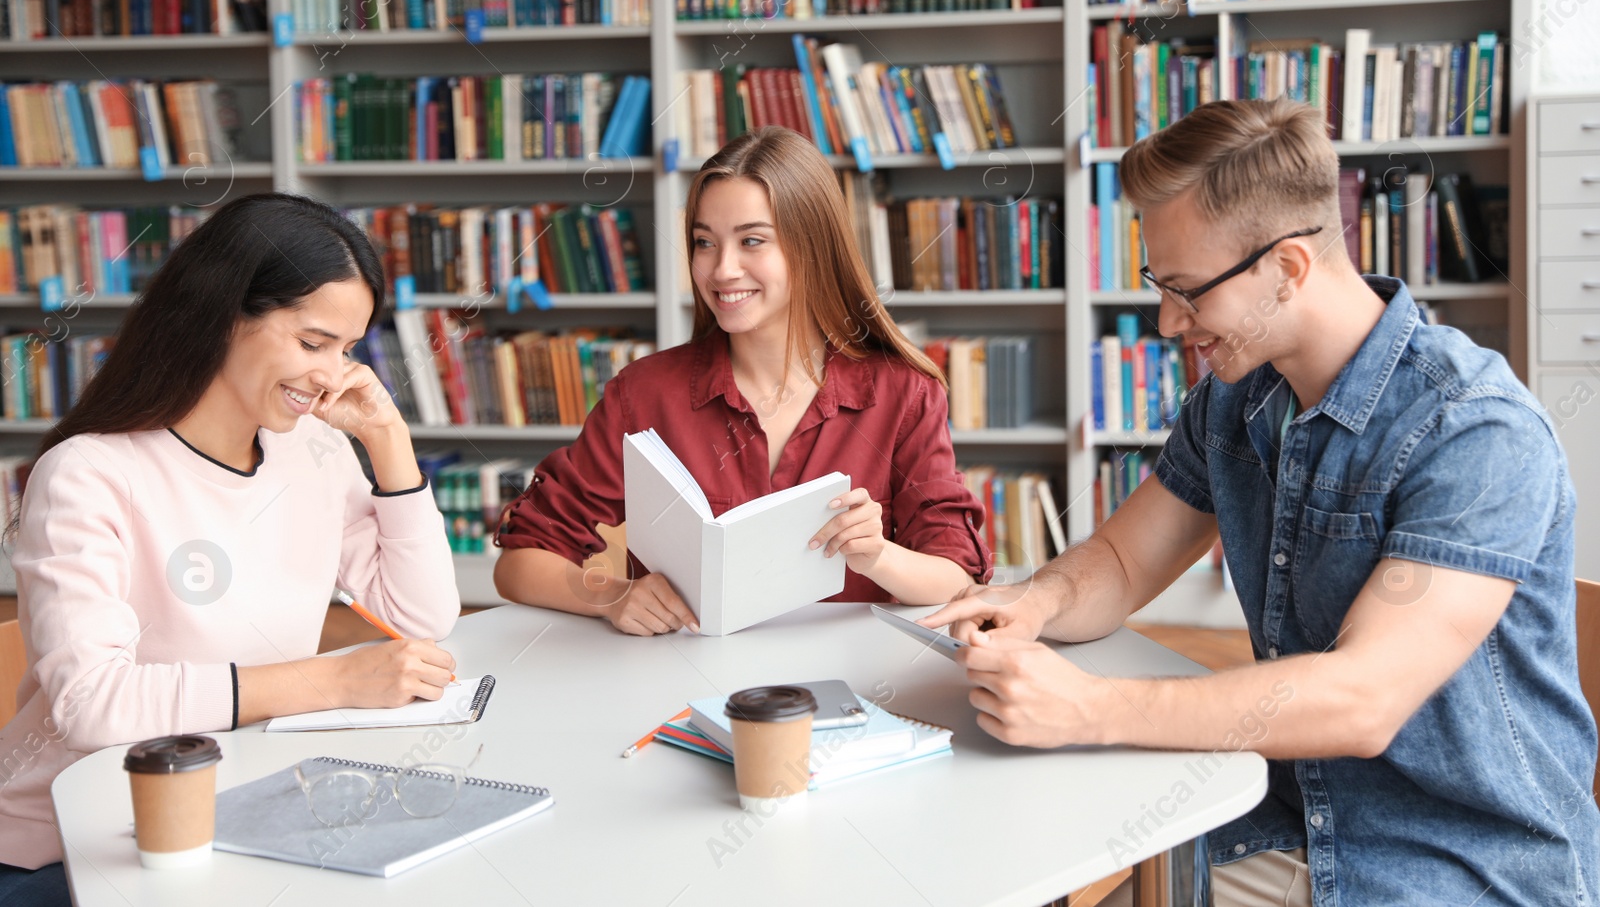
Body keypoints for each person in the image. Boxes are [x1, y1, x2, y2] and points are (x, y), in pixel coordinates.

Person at [923, 99, 1600, 906]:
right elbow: (1119, 558)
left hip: (1457, 865)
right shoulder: (1236, 401)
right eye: (1157, 285)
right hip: (1278, 824)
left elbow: (1363, 699)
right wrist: (1032, 602)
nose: (1169, 320)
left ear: (1287, 268)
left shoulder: (1475, 430)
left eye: (1186, 290)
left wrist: (1090, 707)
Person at [0, 193, 460, 905]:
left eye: (346, 349)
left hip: (241, 816)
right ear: (223, 316)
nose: (333, 375)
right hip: (72, 853)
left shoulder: (313, 450)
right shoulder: (90, 474)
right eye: (313, 343)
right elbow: (93, 703)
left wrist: (389, 444)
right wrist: (330, 682)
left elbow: (421, 614)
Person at [494, 126, 992, 634]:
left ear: (811, 247)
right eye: (704, 242)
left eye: (752, 240)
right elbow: (520, 562)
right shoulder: (641, 396)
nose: (721, 269)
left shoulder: (903, 393)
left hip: (851, 688)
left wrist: (878, 556)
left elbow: (958, 581)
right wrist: (613, 596)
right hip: (681, 691)